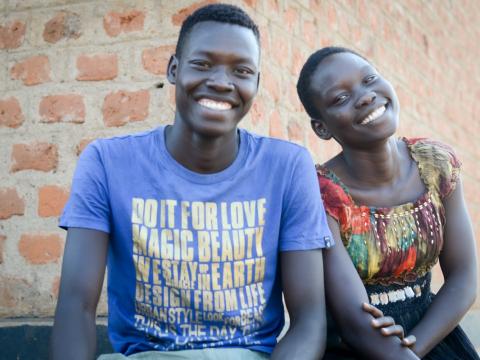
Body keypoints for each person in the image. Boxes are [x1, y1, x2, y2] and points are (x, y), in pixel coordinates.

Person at [50, 4, 334, 360]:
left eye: (241, 70)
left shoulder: (287, 167)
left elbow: (309, 320)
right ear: (173, 69)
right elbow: (76, 306)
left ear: (256, 83)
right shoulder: (108, 163)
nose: (220, 81)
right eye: (202, 64)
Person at [296, 46, 479, 359]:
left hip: (431, 335)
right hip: (355, 347)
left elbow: (464, 277)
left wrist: (415, 347)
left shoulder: (436, 165)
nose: (365, 96)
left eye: (369, 79)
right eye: (340, 98)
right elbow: (354, 320)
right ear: (322, 127)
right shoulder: (320, 195)